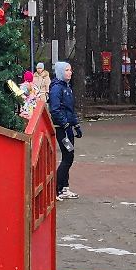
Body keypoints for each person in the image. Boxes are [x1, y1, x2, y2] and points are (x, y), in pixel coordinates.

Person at [50, 60, 80, 200]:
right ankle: (56, 189)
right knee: (68, 156)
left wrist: (76, 125)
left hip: (68, 127)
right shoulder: (57, 88)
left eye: (70, 70)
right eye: (67, 70)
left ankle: (64, 187)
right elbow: (55, 110)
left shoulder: (67, 87)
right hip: (62, 128)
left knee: (69, 155)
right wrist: (64, 123)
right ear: (61, 72)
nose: (70, 72)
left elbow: (70, 109)